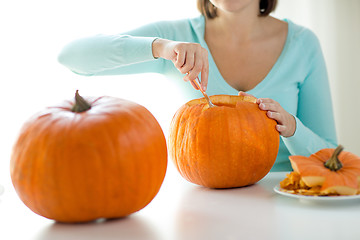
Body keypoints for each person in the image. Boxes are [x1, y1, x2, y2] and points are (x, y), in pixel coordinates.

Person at [58, 0, 337, 171]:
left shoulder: (303, 44)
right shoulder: (176, 37)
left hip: (285, 198)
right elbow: (71, 57)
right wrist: (160, 47)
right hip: (201, 201)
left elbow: (331, 157)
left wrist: (292, 127)